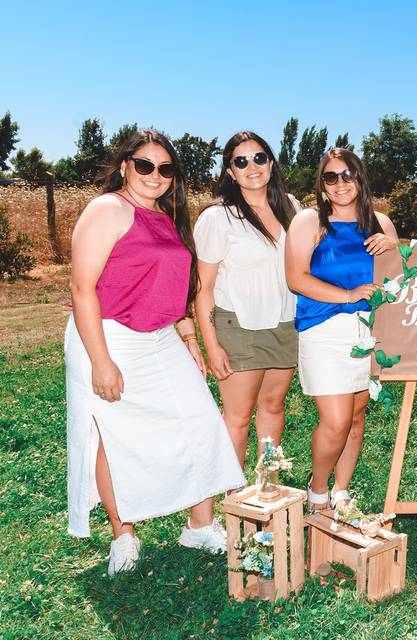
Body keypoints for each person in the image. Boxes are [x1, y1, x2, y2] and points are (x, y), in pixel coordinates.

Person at [65, 130, 245, 576]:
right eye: (144, 165)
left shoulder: (166, 217)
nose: (155, 175)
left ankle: (199, 526)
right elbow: (81, 287)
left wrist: (187, 337)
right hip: (108, 335)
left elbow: (173, 288)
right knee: (114, 434)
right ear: (125, 166)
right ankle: (122, 534)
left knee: (202, 421)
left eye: (165, 169)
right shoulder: (108, 209)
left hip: (161, 336)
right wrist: (101, 360)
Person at [285, 148, 399, 512]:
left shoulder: (381, 223)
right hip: (323, 329)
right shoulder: (309, 222)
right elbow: (295, 278)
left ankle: (342, 490)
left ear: (361, 179)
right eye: (331, 177)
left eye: (347, 174)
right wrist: (347, 295)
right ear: (321, 185)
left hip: (370, 330)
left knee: (355, 418)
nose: (340, 183)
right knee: (335, 420)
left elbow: (398, 280)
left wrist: (396, 249)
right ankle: (317, 489)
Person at [193, 132, 300, 467]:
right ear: (230, 171)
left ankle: (266, 487)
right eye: (241, 161)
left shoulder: (292, 207)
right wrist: (213, 346)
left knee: (273, 407)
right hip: (237, 326)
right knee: (238, 418)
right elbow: (203, 288)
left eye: (259, 158)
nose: (251, 166)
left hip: (285, 323)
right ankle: (233, 498)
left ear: (271, 162)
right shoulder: (218, 217)